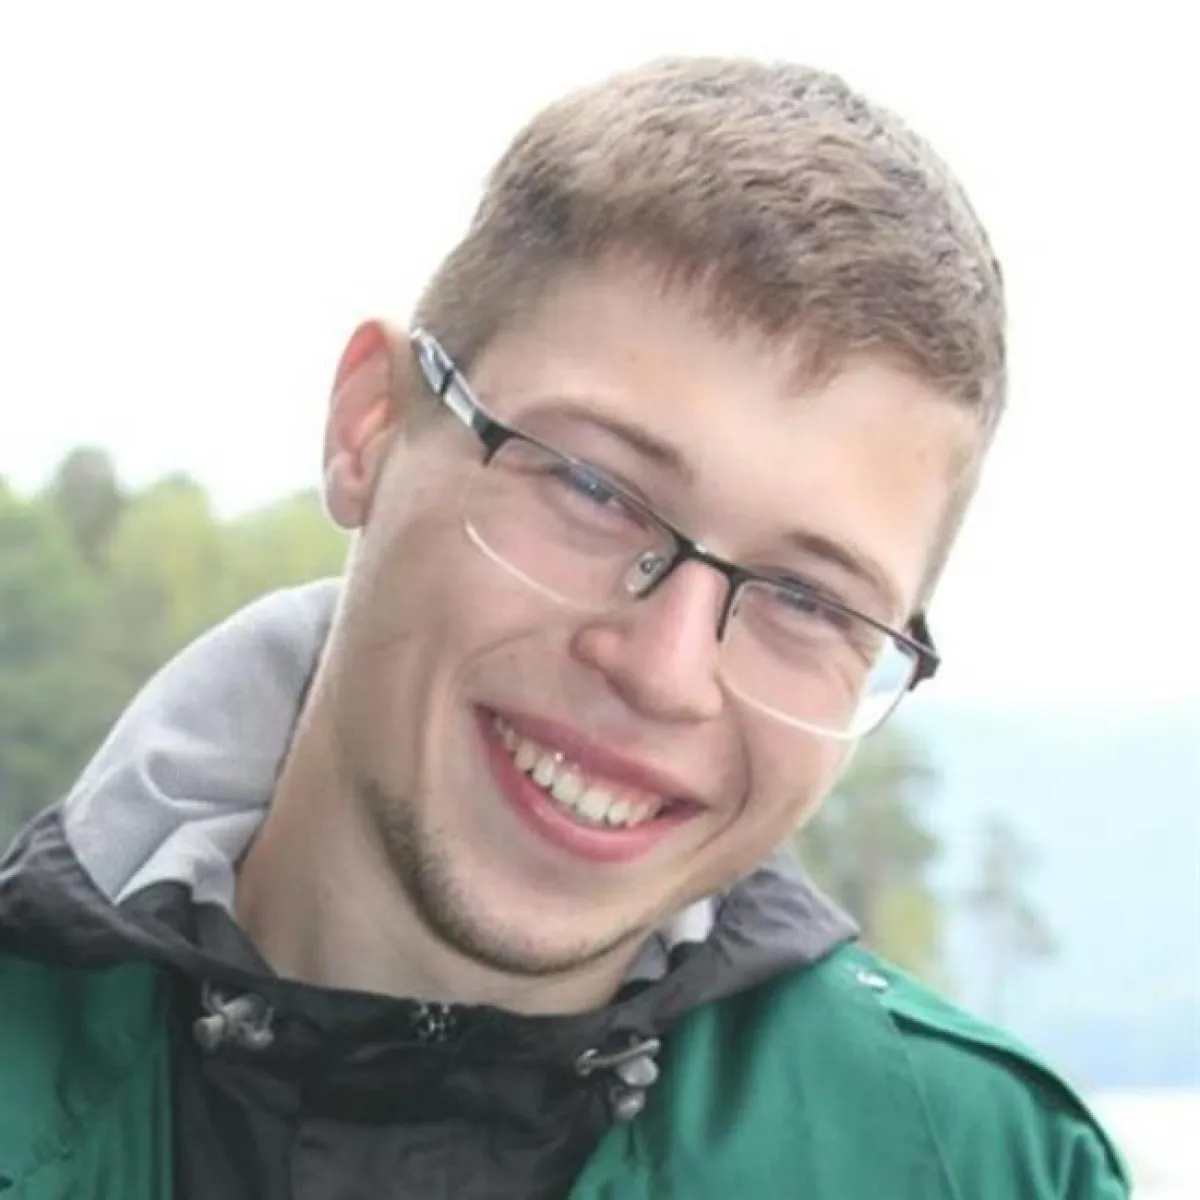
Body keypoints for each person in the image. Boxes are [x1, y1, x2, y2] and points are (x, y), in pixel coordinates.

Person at [0, 56, 1128, 1199]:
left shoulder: (987, 1172)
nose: (666, 671)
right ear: (370, 426)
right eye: (594, 488)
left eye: (807, 600)